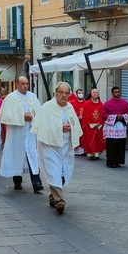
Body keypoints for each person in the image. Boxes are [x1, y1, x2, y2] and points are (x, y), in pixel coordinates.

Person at [30, 82, 82, 214]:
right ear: (56, 93)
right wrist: (60, 127)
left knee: (62, 174)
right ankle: (60, 200)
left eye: (66, 93)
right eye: (61, 92)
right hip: (50, 146)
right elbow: (42, 127)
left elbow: (75, 124)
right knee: (54, 171)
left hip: (65, 146)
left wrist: (71, 127)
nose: (64, 95)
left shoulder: (70, 107)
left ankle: (53, 197)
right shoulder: (47, 107)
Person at [0, 76, 44, 192]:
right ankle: (17, 181)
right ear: (17, 84)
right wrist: (22, 116)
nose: (25, 86)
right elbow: (6, 116)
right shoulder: (10, 98)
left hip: (30, 131)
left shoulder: (33, 97)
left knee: (33, 155)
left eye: (27, 83)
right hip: (16, 132)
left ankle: (37, 182)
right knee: (16, 155)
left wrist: (33, 117)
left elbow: (39, 113)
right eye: (23, 83)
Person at [102, 86, 128, 168]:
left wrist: (123, 116)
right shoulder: (107, 103)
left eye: (118, 92)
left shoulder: (124, 103)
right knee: (111, 145)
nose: (117, 93)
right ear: (112, 93)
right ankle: (111, 162)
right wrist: (115, 117)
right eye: (116, 92)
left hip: (121, 127)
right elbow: (104, 115)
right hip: (111, 127)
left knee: (120, 145)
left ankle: (118, 161)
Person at [81, 88, 105, 160]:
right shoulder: (86, 104)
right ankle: (91, 154)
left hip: (99, 126)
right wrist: (93, 123)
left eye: (96, 93)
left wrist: (99, 123)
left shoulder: (101, 104)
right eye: (93, 92)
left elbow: (102, 114)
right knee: (91, 140)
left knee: (98, 140)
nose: (95, 94)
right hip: (90, 126)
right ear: (91, 94)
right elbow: (86, 115)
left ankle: (97, 154)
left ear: (98, 94)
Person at [69, 88, 86, 155]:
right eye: (79, 93)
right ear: (76, 94)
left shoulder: (86, 102)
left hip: (83, 122)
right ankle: (76, 149)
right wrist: (77, 117)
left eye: (81, 93)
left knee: (83, 136)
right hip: (76, 122)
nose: (80, 94)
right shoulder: (72, 103)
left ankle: (84, 149)